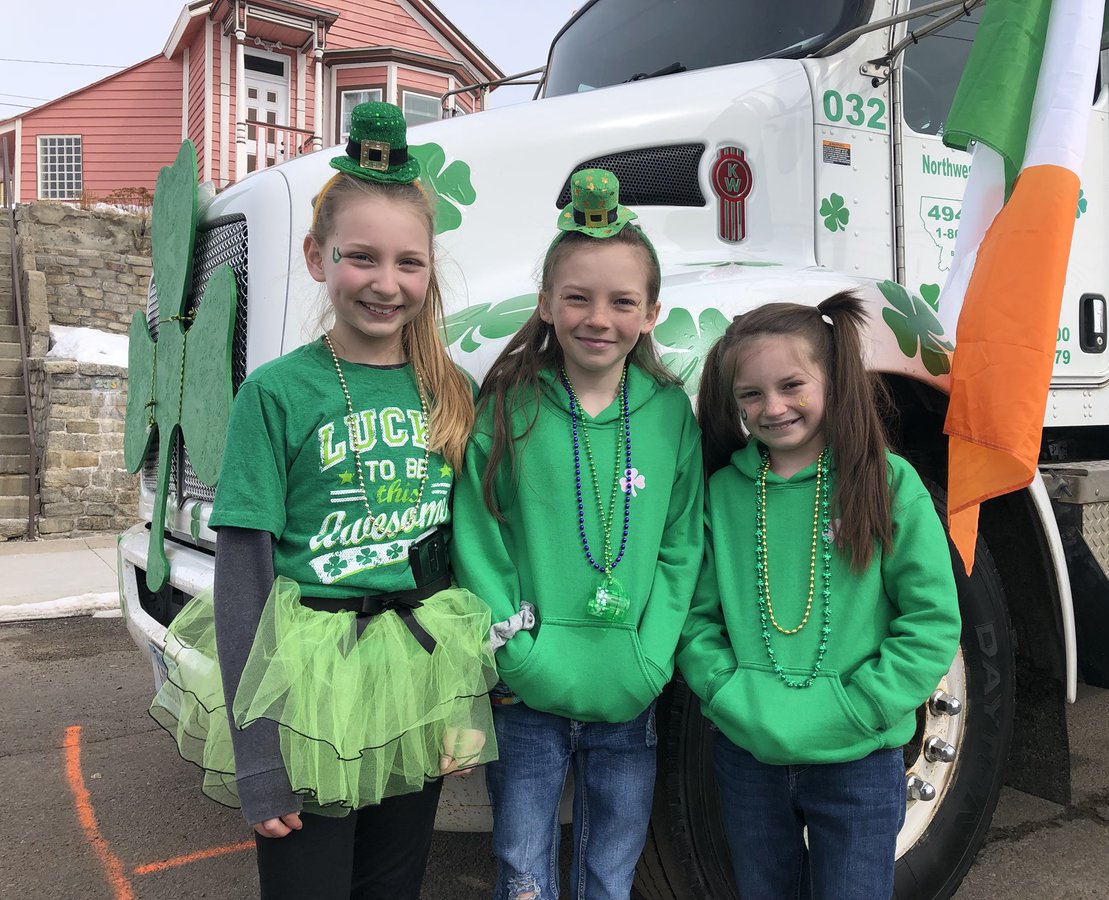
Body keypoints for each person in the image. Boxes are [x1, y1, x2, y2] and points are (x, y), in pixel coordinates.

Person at [149, 102, 497, 900]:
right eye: (361, 258)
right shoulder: (276, 394)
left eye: (410, 263)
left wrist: (464, 704)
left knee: (394, 885)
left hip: (419, 674)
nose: (386, 283)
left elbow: (466, 552)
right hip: (310, 687)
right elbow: (243, 578)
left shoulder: (453, 390)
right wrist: (259, 755)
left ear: (430, 270)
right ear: (317, 256)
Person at [450, 169, 704, 900]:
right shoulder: (510, 406)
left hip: (631, 691)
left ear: (652, 312)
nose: (600, 317)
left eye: (623, 301)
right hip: (527, 695)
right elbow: (479, 531)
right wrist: (515, 651)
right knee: (523, 870)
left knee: (610, 874)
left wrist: (653, 655)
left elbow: (682, 545)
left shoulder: (668, 414)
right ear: (546, 305)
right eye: (578, 297)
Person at [678, 294, 961, 900]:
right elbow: (695, 620)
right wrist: (728, 691)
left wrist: (864, 706)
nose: (772, 407)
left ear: (834, 381)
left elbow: (932, 620)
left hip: (858, 760)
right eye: (750, 394)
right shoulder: (723, 493)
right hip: (748, 756)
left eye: (791, 385)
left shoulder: (888, 483)